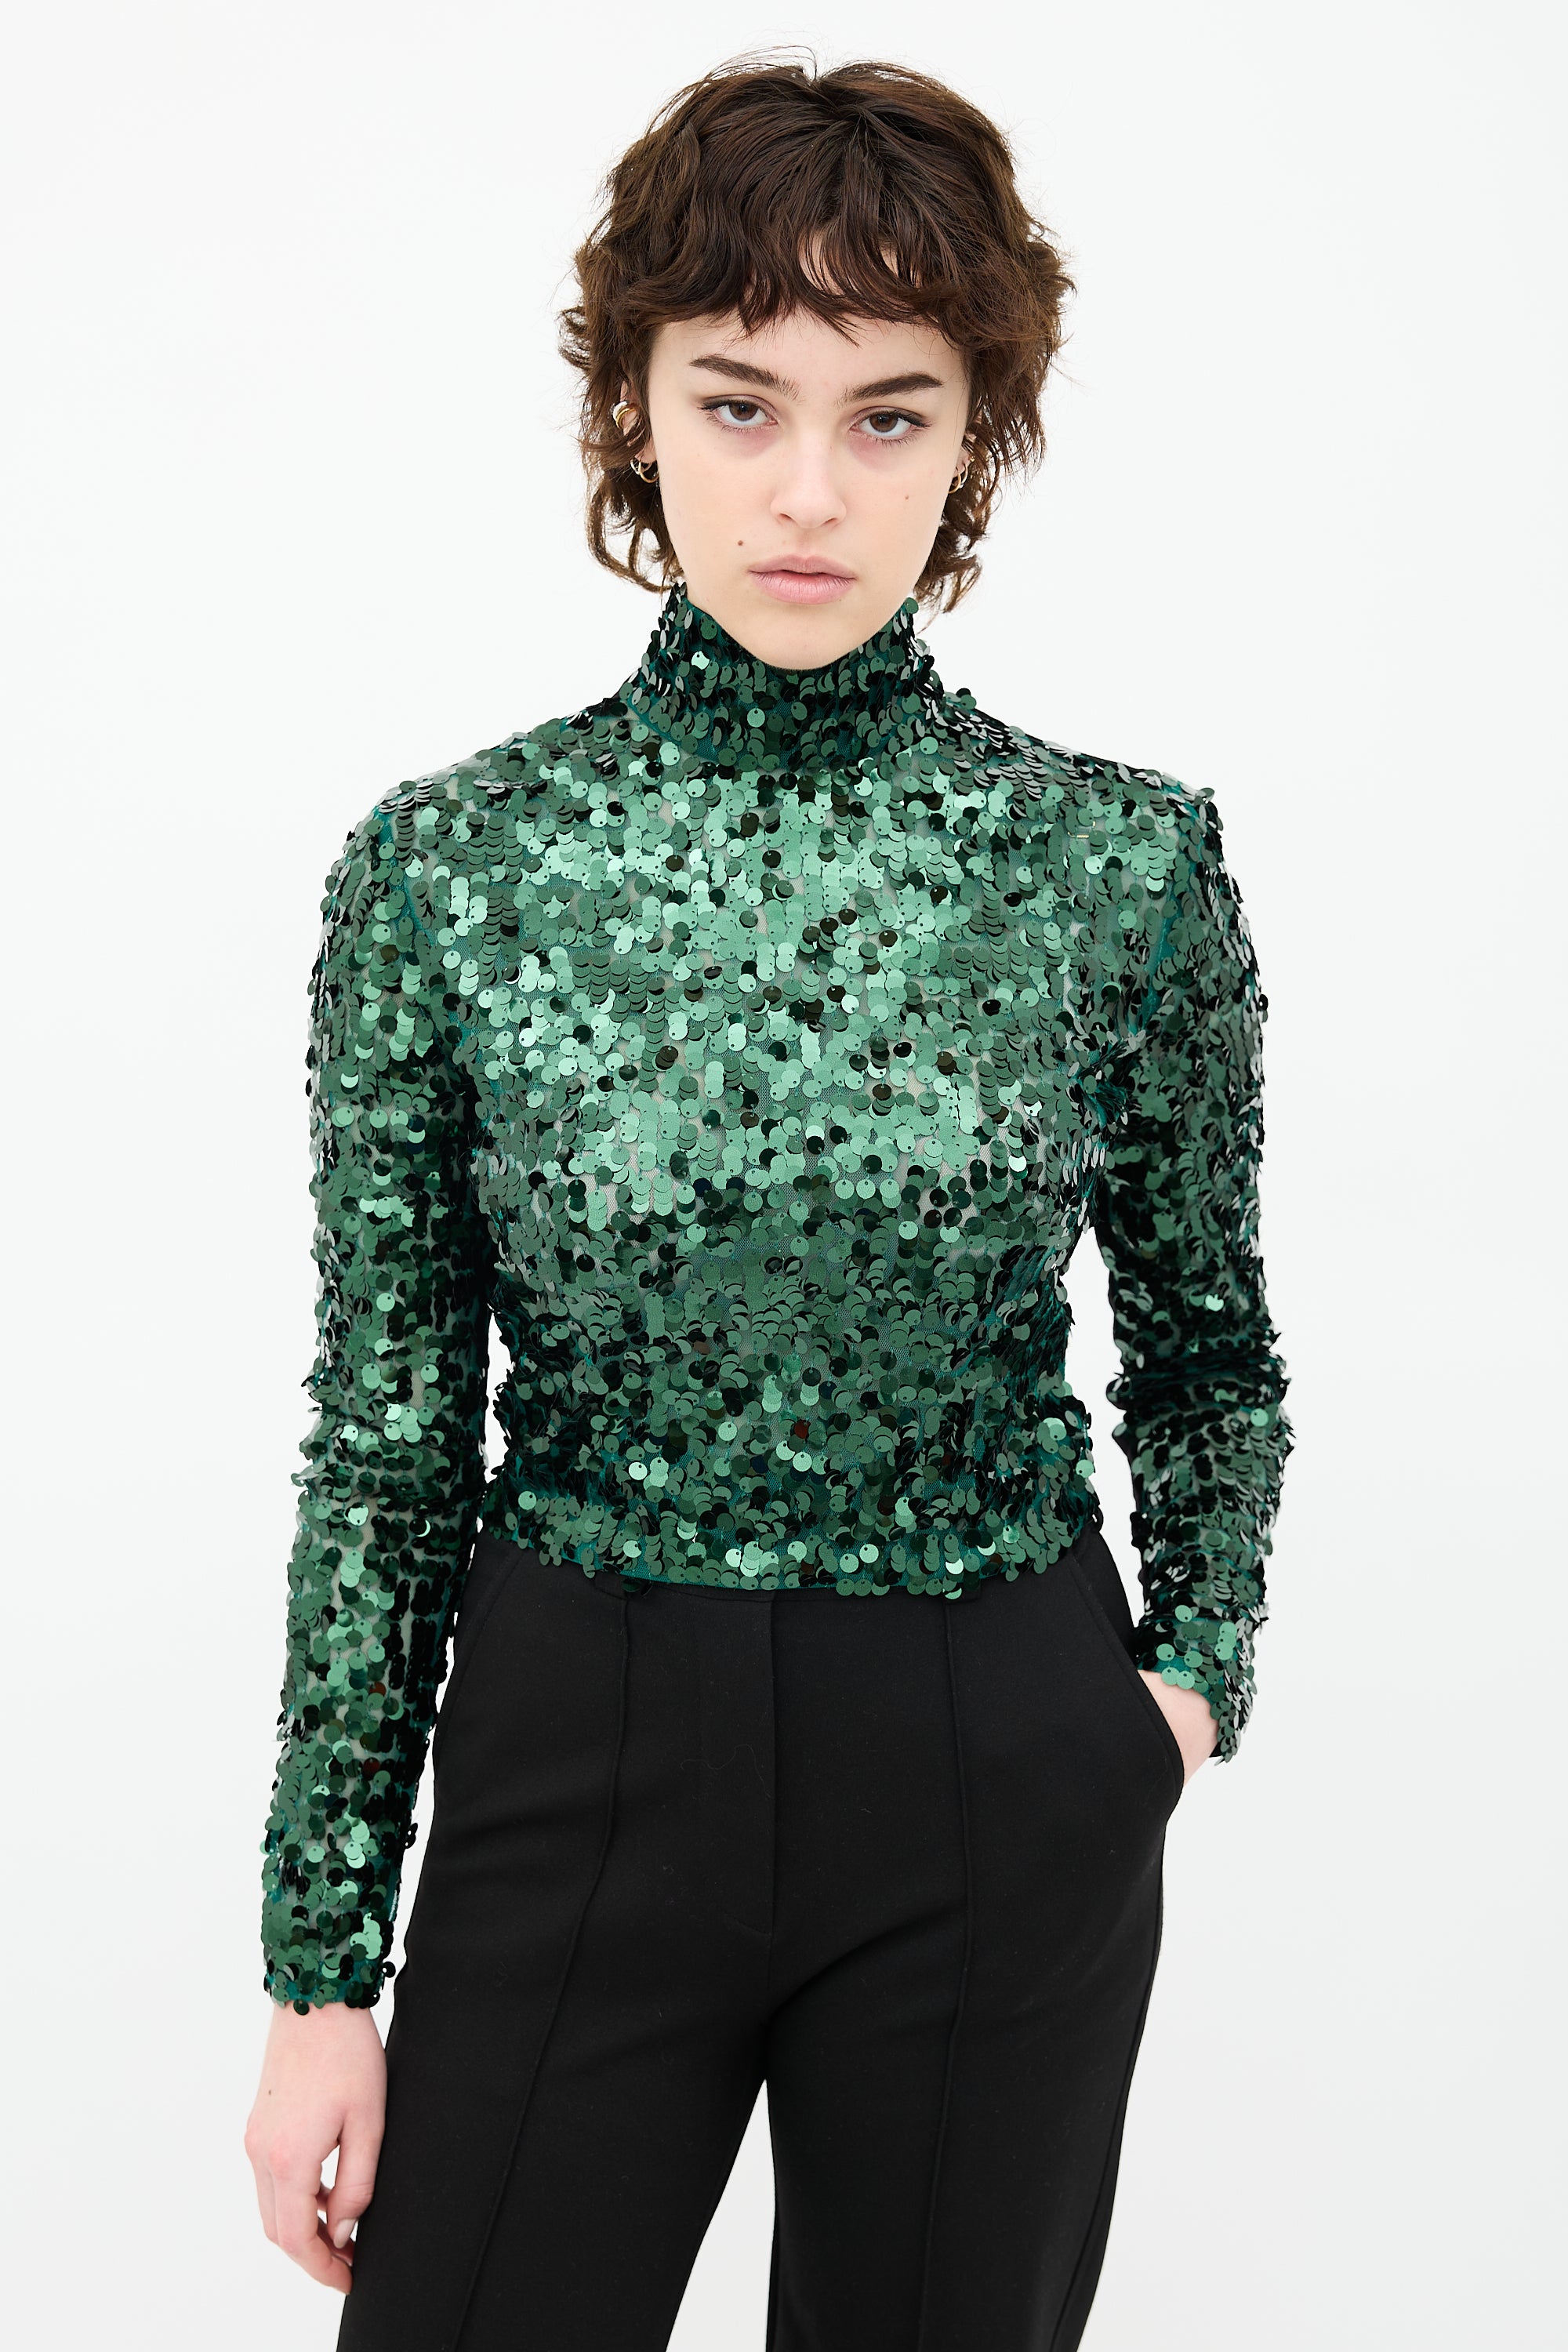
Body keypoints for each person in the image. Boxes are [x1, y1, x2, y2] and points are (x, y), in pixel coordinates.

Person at [245, 54, 1292, 2352]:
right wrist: (324, 1971)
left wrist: (1179, 1694)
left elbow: (1210, 1353)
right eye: (740, 404)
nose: (810, 491)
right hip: (583, 1736)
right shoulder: (449, 872)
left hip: (998, 1754)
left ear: (974, 439)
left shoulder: (1119, 867)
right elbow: (391, 1435)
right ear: (634, 410)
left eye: (888, 415)